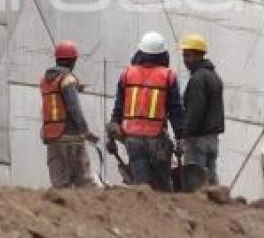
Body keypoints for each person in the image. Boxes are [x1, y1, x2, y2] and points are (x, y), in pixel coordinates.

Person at [106, 31, 184, 192]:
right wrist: (180, 138)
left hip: (133, 140)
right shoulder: (168, 76)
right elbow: (175, 111)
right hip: (157, 142)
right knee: (162, 187)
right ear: (163, 55)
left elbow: (118, 108)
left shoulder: (127, 74)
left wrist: (112, 133)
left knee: (142, 188)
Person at [40, 40, 99, 188]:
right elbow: (74, 107)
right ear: (73, 61)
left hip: (52, 137)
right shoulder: (68, 79)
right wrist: (85, 131)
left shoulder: (45, 81)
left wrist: (75, 88)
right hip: (71, 137)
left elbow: (58, 95)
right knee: (85, 184)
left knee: (60, 185)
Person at [179, 33, 224, 185]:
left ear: (199, 55)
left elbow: (194, 111)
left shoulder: (198, 79)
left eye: (188, 56)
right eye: (184, 56)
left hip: (198, 140)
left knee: (195, 184)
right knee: (211, 182)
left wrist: (185, 134)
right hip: (212, 139)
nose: (185, 60)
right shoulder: (215, 76)